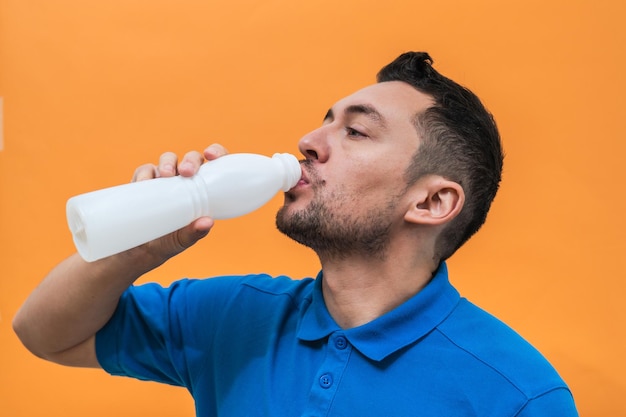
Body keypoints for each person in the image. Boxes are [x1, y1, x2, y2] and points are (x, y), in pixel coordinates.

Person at [13, 51, 578, 416]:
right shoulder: (232, 315)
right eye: (324, 119)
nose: (309, 139)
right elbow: (44, 334)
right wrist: (136, 247)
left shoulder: (518, 395)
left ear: (432, 201)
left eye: (355, 130)